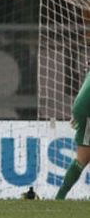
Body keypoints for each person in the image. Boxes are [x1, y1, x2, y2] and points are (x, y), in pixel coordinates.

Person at [55, 69, 90, 199]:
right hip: (87, 110)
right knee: (82, 158)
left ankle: (59, 197)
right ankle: (59, 197)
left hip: (83, 108)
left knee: (83, 158)